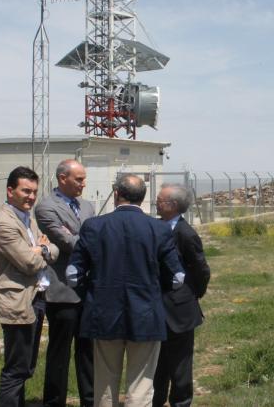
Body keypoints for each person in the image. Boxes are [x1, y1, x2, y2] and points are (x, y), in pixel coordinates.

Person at [67, 174, 185, 407]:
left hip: (103, 313)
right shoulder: (159, 229)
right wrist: (154, 292)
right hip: (146, 315)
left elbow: (72, 274)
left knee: (105, 383)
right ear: (142, 198)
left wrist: (90, 292)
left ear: (116, 194)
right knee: (141, 385)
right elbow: (178, 277)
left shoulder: (94, 226)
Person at [0, 167, 59, 407]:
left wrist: (42, 248)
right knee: (16, 368)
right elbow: (29, 262)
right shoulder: (3, 224)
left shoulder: (27, 219)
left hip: (35, 297)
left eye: (34, 192)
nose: (31, 196)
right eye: (25, 191)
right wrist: (40, 250)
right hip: (17, 300)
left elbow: (53, 249)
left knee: (26, 366)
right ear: (10, 191)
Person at [34, 159, 95, 407]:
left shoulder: (88, 206)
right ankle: (54, 401)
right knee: (59, 352)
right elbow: (68, 243)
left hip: (88, 288)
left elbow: (83, 238)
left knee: (88, 351)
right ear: (62, 178)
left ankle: (90, 400)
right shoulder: (46, 208)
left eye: (84, 178)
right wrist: (86, 238)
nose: (83, 183)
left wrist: (76, 234)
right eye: (78, 179)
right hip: (62, 291)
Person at [152, 184, 211, 407]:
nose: (156, 202)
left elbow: (201, 270)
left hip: (179, 311)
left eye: (160, 199)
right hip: (157, 307)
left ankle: (181, 402)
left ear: (173, 205)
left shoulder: (186, 234)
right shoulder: (156, 227)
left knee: (180, 364)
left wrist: (191, 294)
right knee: (157, 363)